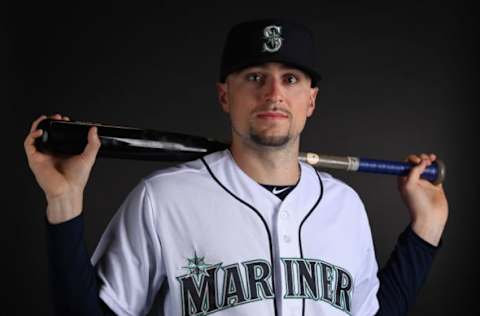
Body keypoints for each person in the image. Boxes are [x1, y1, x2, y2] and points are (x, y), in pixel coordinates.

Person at [24, 19, 448, 315]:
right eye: (254, 76)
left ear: (311, 101)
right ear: (225, 96)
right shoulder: (163, 199)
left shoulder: (346, 206)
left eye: (292, 79)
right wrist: (64, 202)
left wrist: (425, 231)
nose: (274, 93)